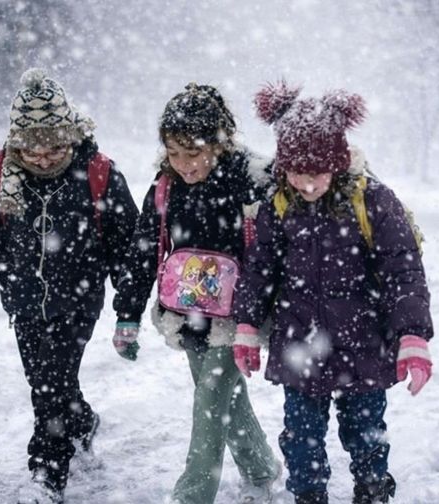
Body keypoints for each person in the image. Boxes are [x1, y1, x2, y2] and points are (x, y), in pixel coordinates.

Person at [233, 81, 434, 504]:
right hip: (299, 346)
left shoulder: (373, 201)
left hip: (362, 344)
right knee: (301, 436)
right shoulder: (277, 204)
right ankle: (308, 495)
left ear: (337, 164)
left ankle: (373, 489)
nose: (307, 185)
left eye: (317, 174)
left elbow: (404, 270)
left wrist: (412, 336)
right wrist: (247, 324)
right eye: (297, 173)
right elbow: (260, 268)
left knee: (365, 432)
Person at [0, 68, 138, 504]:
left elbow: (127, 240)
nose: (42, 158)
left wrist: (127, 305)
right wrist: (1, 276)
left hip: (79, 300)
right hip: (24, 301)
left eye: (54, 147)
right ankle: (81, 422)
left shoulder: (98, 172)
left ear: (71, 136)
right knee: (47, 380)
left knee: (50, 383)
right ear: (16, 140)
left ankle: (47, 473)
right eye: (31, 148)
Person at [112, 83, 280, 504]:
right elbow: (143, 248)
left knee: (210, 399)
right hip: (187, 311)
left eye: (194, 153)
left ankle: (192, 494)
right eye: (174, 153)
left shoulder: (251, 178)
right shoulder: (166, 186)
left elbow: (277, 248)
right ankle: (260, 467)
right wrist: (128, 315)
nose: (184, 164)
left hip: (239, 314)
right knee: (225, 399)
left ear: (219, 142)